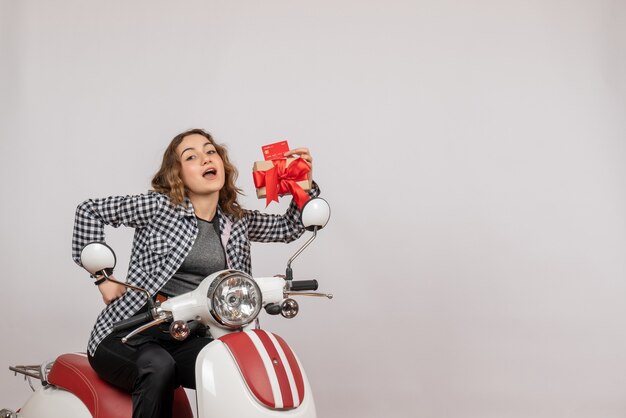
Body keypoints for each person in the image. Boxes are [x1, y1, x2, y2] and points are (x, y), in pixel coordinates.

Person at [71, 128, 319, 418]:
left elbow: (288, 228)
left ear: (222, 165)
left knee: (233, 365)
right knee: (158, 367)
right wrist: (103, 278)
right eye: (192, 156)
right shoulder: (159, 208)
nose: (205, 158)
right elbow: (89, 211)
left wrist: (305, 183)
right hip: (130, 332)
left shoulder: (235, 220)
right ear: (177, 173)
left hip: (186, 334)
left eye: (210, 151)